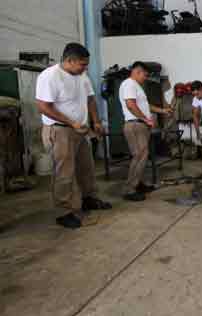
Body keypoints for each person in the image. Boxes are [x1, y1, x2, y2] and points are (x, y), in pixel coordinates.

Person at [36, 42, 112, 229]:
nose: (85, 68)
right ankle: (63, 212)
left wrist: (96, 122)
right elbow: (43, 107)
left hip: (80, 130)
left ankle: (89, 199)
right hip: (59, 130)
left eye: (86, 64)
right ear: (69, 61)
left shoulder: (81, 76)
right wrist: (71, 123)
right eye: (82, 64)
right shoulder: (50, 76)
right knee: (64, 173)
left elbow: (90, 99)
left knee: (86, 168)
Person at [119, 61, 172, 201]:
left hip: (140, 125)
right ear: (137, 71)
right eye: (145, 75)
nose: (145, 78)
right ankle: (129, 189)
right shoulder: (129, 84)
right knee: (139, 156)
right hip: (135, 125)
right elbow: (130, 105)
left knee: (142, 156)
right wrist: (145, 119)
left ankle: (138, 183)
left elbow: (145, 105)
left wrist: (162, 110)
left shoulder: (137, 86)